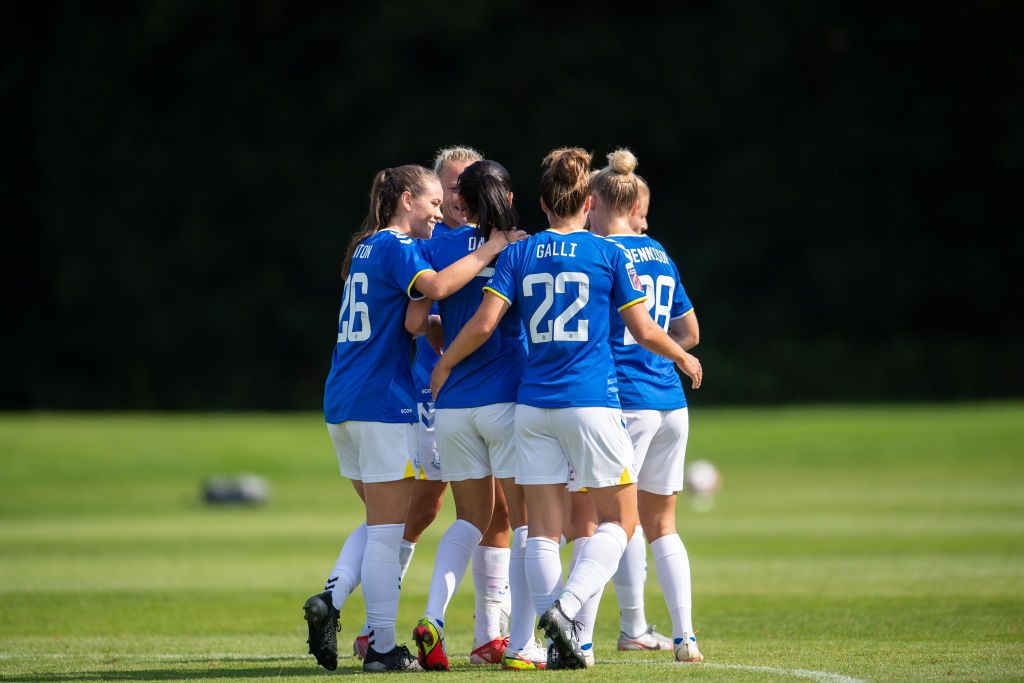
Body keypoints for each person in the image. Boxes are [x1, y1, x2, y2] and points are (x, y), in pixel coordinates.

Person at [430, 148, 702, 669]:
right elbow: (645, 330)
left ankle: (543, 644)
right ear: (587, 200)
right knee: (620, 523)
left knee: (542, 530)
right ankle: (569, 610)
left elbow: (484, 323)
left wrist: (444, 367)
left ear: (541, 202)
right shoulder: (607, 255)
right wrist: (684, 356)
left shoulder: (517, 254)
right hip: (590, 402)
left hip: (533, 406)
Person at [303, 163, 522, 673]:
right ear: (405, 200)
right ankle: (380, 646)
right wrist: (491, 248)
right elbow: (439, 287)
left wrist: (440, 332)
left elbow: (414, 318)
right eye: (430, 201)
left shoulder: (364, 247)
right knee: (387, 531)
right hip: (380, 402)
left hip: (343, 400)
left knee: (384, 523)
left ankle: (335, 601)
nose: (438, 211)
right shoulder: (397, 247)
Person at [406, 159, 544, 671]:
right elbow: (494, 324)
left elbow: (416, 319)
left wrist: (442, 352)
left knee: (468, 519)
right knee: (528, 521)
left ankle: (434, 620)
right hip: (506, 399)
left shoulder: (438, 247)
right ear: (506, 199)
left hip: (454, 410)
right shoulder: (520, 247)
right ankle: (522, 642)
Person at [588, 150, 703, 663]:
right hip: (670, 402)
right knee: (664, 525)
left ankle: (619, 625)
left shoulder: (596, 252)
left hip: (623, 401)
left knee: (616, 519)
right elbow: (691, 333)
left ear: (595, 203)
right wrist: (671, 351)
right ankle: (686, 638)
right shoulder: (660, 253)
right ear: (634, 204)